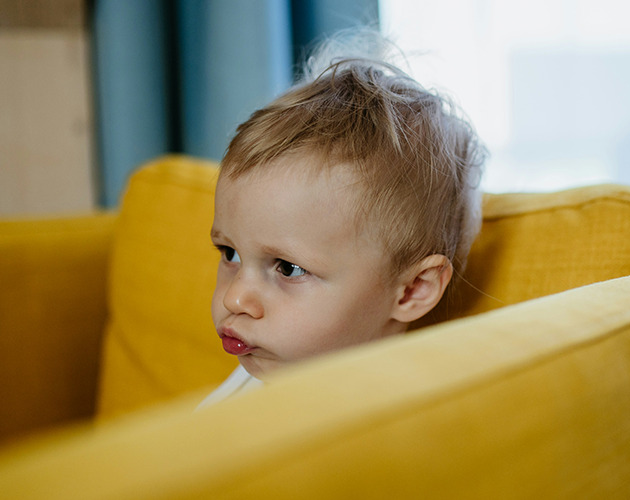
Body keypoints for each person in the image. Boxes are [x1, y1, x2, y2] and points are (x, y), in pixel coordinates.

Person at [199, 31, 486, 408]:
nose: (234, 297)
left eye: (287, 268)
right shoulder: (250, 379)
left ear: (413, 289)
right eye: (230, 254)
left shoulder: (391, 425)